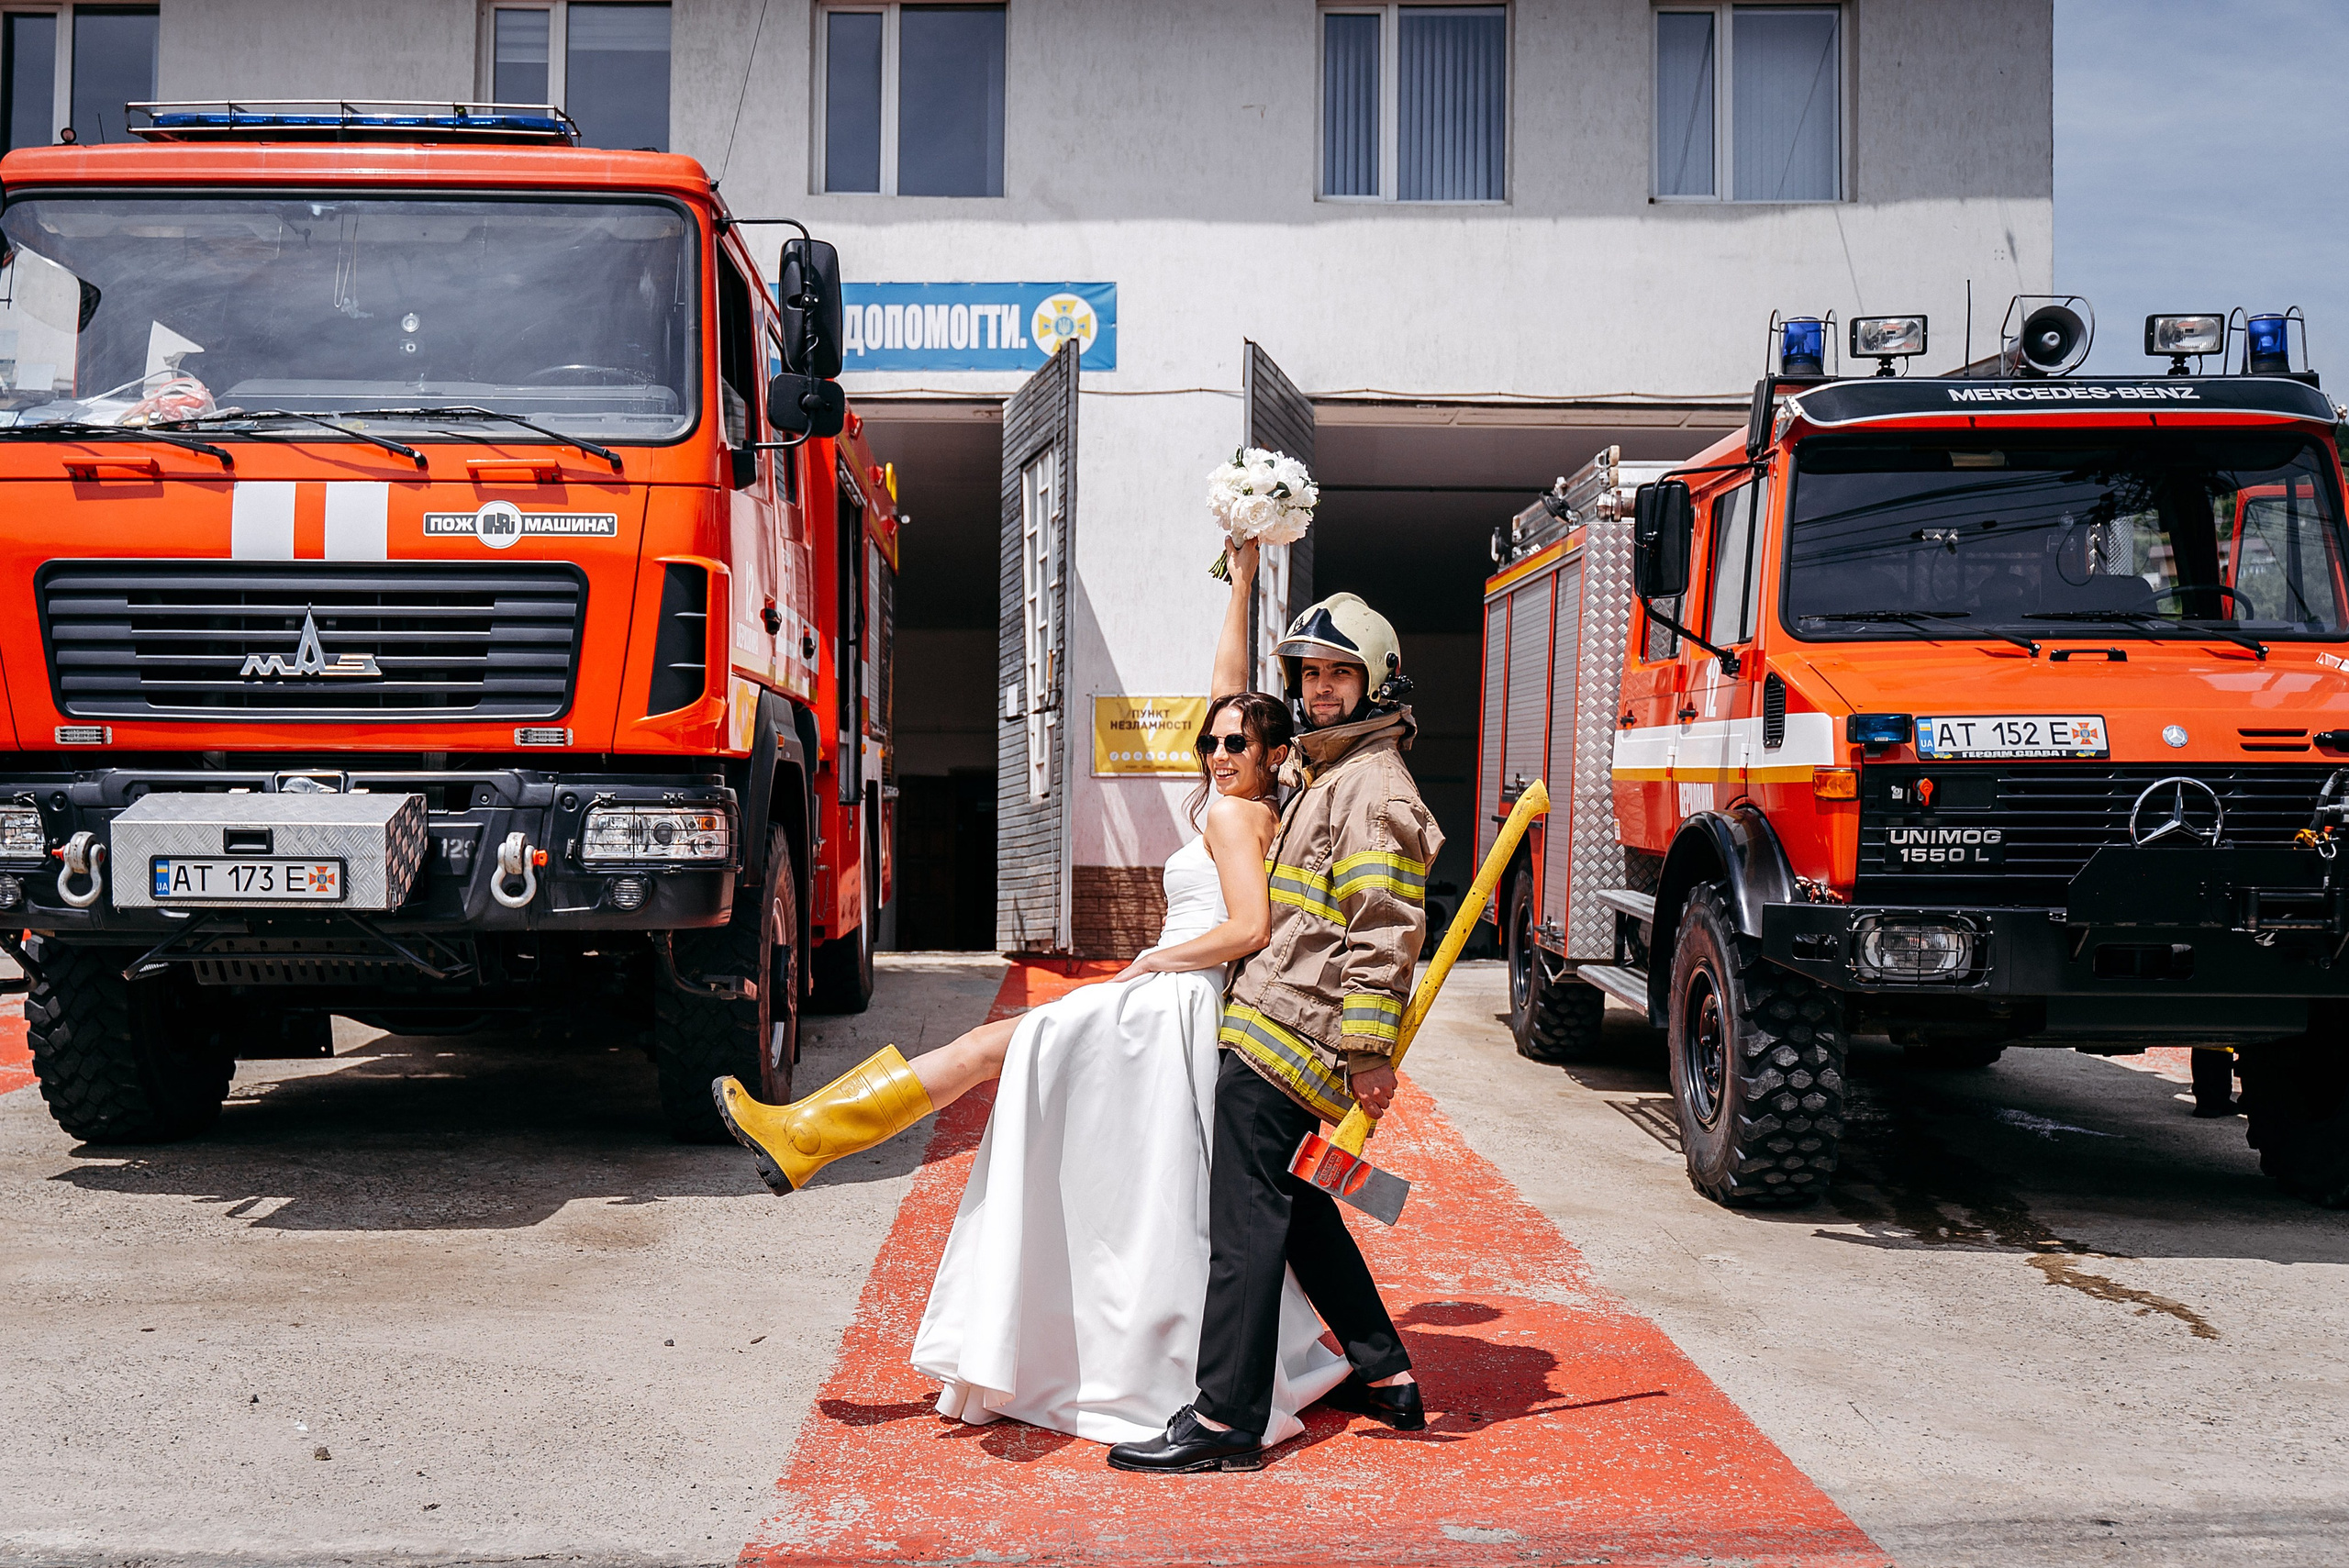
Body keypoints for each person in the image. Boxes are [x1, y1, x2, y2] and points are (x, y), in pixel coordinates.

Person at [710, 540, 1350, 1444]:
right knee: (1006, 1069)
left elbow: (1249, 927)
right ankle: (807, 1135)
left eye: (1233, 742)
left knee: (990, 1053)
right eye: (1207, 739)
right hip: (1164, 996)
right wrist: (1241, 577)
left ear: (1273, 752)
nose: (1213, 749)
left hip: (1170, 999)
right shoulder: (1233, 793)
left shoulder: (1245, 814)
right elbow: (1230, 688)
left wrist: (1158, 963)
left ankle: (808, 1135)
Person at [1108, 585, 1442, 1474]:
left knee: (1244, 1226)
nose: (1321, 687)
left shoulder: (1371, 786)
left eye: (1339, 672)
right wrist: (1244, 563)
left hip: (1284, 1039)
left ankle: (1224, 1422)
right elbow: (1236, 704)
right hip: (1276, 1022)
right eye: (1310, 672)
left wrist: (1370, 1053)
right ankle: (1385, 1371)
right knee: (1298, 1209)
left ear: (1377, 680)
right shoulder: (1326, 771)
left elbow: (1385, 928)